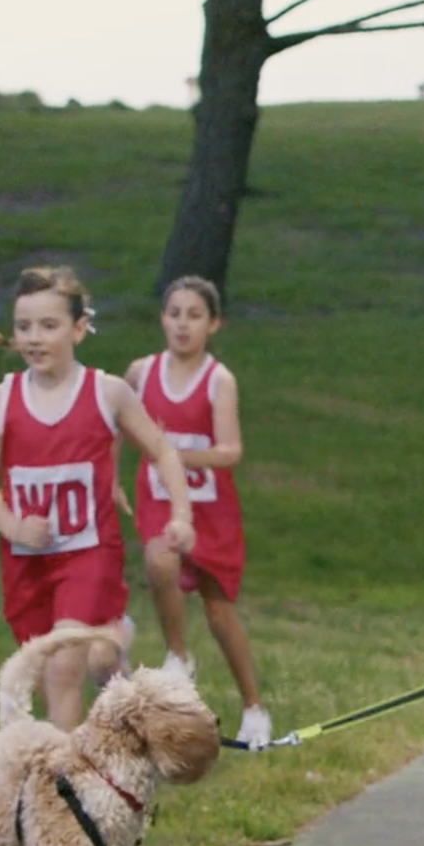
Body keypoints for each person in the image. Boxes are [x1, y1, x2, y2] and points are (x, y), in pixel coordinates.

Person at [0, 266, 195, 730]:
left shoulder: (106, 392)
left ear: (77, 329)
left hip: (88, 556)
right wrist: (13, 526)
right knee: (47, 672)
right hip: (27, 561)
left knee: (62, 669)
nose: (34, 338)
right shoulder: (0, 399)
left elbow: (162, 452)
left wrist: (181, 516)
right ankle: (116, 674)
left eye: (48, 326)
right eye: (24, 326)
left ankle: (65, 773)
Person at [122, 276, 271, 750]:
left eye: (194, 315)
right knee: (159, 558)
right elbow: (112, 426)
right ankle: (177, 654)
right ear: (161, 319)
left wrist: (175, 455)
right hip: (160, 503)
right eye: (174, 314)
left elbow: (230, 451)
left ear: (214, 324)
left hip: (210, 511)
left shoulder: (218, 380)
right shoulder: (141, 374)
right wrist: (108, 479)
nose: (182, 325)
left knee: (219, 613)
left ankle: (254, 707)